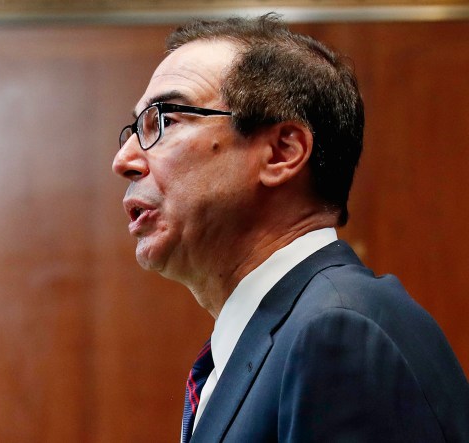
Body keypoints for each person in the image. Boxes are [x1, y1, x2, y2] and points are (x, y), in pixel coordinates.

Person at [112, 13, 469, 442]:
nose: (125, 160)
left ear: (282, 152)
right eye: (135, 129)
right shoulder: (281, 332)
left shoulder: (338, 335)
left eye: (163, 120)